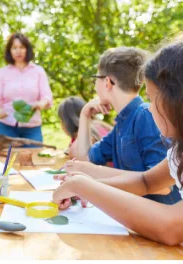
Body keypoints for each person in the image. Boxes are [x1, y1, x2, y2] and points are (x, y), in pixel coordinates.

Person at [53, 41, 183, 246]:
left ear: (175, 99)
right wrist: (85, 186)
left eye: (152, 99)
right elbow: (145, 182)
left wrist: (83, 184)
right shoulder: (178, 151)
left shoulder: (142, 116)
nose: (149, 108)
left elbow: (172, 227)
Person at [69, 46, 180, 204]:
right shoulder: (122, 123)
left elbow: (162, 186)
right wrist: (85, 115)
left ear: (107, 82)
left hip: (153, 217)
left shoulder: (145, 115)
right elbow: (84, 158)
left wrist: (89, 183)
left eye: (96, 78)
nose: (95, 85)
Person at [0, 32, 53, 145]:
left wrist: (40, 104)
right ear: (9, 51)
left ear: (27, 49)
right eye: (14, 48)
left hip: (32, 126)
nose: (18, 51)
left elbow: (47, 97)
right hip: (7, 126)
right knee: (7, 161)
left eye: (21, 47)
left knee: (34, 158)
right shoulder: (2, 73)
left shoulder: (38, 71)